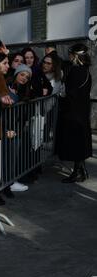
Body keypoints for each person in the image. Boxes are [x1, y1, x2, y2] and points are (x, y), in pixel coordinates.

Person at [56, 44, 92, 183]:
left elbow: (70, 93)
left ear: (75, 55)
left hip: (73, 113)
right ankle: (81, 171)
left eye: (70, 54)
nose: (69, 56)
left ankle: (78, 172)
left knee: (76, 144)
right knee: (79, 143)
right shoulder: (85, 70)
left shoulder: (76, 71)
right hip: (81, 112)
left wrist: (63, 96)